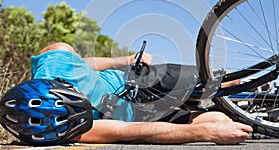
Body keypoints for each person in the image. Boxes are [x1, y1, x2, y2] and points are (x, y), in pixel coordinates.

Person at [1, 42, 253, 145]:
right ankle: (257, 118)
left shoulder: (55, 58)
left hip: (136, 80)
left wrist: (125, 59)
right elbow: (132, 132)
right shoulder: (72, 129)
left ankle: (266, 83)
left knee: (225, 80)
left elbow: (84, 63)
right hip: (138, 114)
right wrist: (203, 132)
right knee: (220, 121)